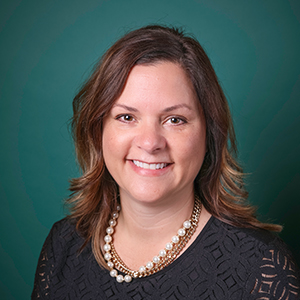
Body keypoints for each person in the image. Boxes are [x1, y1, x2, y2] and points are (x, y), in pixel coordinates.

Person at [32, 25, 300, 299]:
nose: (150, 143)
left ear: (209, 134)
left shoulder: (260, 267)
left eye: (175, 120)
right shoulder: (64, 244)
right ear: (98, 130)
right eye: (126, 117)